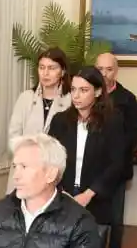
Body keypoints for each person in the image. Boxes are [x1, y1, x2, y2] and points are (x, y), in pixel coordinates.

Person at [46, 66, 127, 225]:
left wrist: (89, 194)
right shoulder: (60, 121)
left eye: (83, 90)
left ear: (97, 92)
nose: (76, 96)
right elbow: (49, 159)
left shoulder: (112, 121)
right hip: (63, 195)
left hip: (96, 197)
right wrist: (61, 191)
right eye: (74, 89)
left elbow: (116, 164)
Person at [95, 52, 137, 248]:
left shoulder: (127, 99)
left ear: (116, 70)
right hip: (90, 171)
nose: (104, 74)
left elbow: (133, 136)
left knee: (114, 217)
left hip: (116, 171)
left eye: (109, 69)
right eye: (100, 69)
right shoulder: (89, 96)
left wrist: (116, 163)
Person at [5, 48, 73, 193]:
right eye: (42, 68)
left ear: (63, 71)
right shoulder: (26, 98)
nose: (45, 73)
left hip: (55, 173)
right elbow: (14, 136)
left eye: (52, 68)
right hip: (25, 169)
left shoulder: (71, 101)